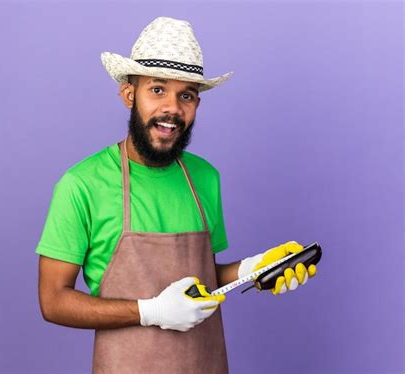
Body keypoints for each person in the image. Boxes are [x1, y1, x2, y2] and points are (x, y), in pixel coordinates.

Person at [35, 16, 317, 374]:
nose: (172, 108)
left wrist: (254, 269)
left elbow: (201, 276)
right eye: (157, 90)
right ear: (128, 94)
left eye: (186, 95)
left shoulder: (204, 177)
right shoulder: (82, 184)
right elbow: (53, 300)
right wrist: (149, 311)